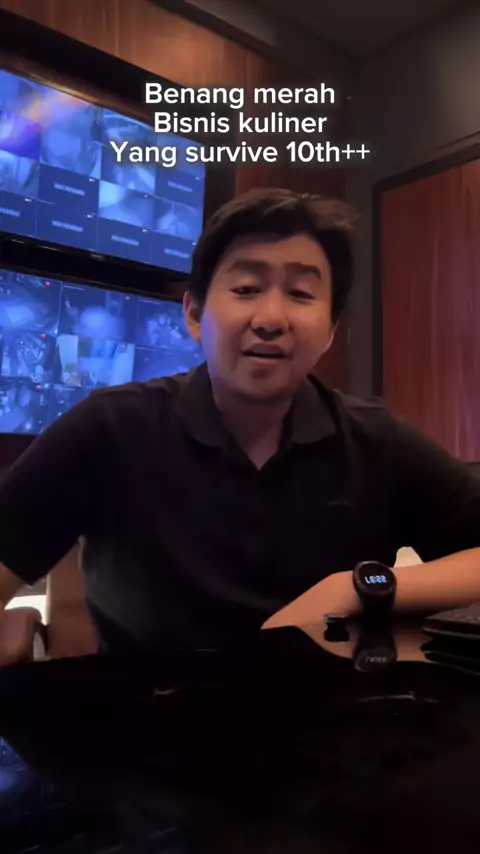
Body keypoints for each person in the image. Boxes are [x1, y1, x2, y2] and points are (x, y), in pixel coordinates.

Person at [1, 187, 480, 658]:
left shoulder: (375, 440)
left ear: (331, 329)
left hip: (329, 708)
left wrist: (357, 588)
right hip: (146, 709)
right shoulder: (110, 428)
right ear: (194, 314)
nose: (271, 318)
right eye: (246, 289)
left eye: (301, 293)